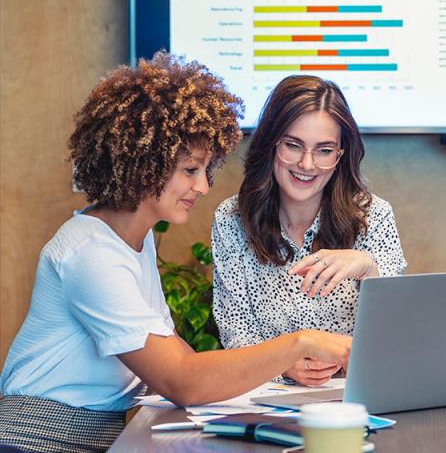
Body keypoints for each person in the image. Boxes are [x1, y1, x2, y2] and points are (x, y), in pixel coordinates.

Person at [0, 54, 351, 453]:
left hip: (96, 435)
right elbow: (181, 378)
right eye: (190, 170)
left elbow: (179, 357)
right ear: (143, 165)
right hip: (35, 439)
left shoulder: (133, 239)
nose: (203, 187)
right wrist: (299, 343)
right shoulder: (90, 254)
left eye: (205, 170)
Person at [212, 75, 407, 387]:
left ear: (340, 156)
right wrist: (284, 366)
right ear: (271, 144)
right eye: (293, 145)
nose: (307, 164)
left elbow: (398, 332)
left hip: (354, 394)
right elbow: (236, 329)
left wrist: (369, 267)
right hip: (266, 395)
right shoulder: (231, 219)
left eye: (324, 150)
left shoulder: (374, 216)